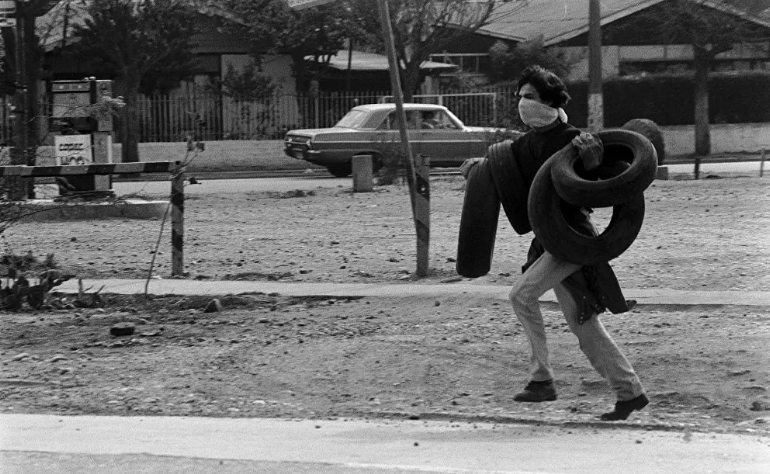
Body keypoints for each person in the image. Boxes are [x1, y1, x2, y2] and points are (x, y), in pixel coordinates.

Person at [460, 65, 648, 421]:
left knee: (521, 294)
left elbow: (601, 181)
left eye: (529, 97)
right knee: (583, 325)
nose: (522, 104)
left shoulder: (575, 140)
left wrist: (592, 160)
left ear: (548, 101)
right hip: (547, 242)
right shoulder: (524, 144)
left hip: (573, 239)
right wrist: (478, 168)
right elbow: (504, 170)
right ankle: (630, 393)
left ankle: (541, 380)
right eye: (520, 97)